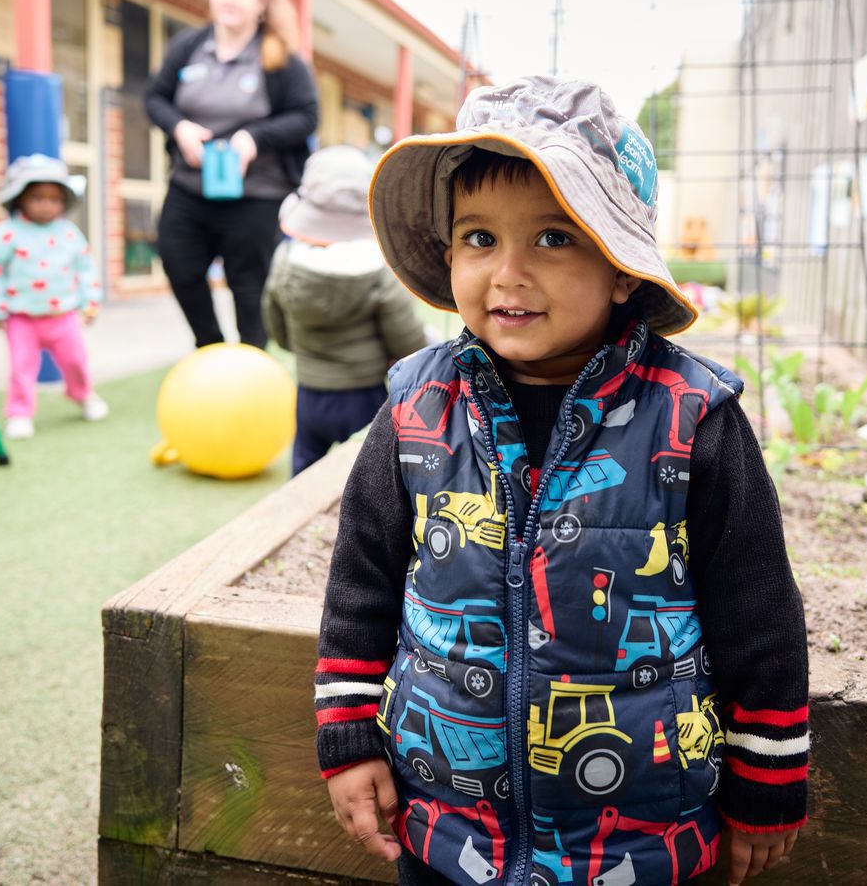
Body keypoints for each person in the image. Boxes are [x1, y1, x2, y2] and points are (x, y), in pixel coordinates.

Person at [314, 77, 808, 886]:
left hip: (641, 842)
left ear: (621, 269)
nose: (507, 272)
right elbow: (361, 582)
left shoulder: (692, 420)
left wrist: (770, 776)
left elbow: (758, 610)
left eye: (551, 239)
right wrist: (348, 737)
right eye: (479, 238)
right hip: (446, 829)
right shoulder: (416, 408)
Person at [145, 0, 320, 349]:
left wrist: (254, 139)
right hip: (191, 186)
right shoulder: (189, 46)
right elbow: (155, 98)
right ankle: (209, 348)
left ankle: (251, 365)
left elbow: (307, 115)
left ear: (260, 3)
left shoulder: (281, 59)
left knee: (248, 287)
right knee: (178, 263)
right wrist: (180, 127)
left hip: (256, 193)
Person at [262, 145, 427, 475]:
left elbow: (275, 325)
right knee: (367, 471)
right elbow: (406, 340)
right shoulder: (378, 269)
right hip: (362, 393)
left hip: (309, 391)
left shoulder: (285, 261)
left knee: (305, 466)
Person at [0, 155, 108, 439]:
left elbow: (85, 269)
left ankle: (82, 394)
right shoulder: (7, 233)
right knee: (22, 368)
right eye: (37, 198)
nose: (46, 205)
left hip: (64, 315)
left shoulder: (69, 234)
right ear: (20, 198)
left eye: (54, 199)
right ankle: (20, 413)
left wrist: (90, 302)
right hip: (21, 317)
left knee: (76, 360)